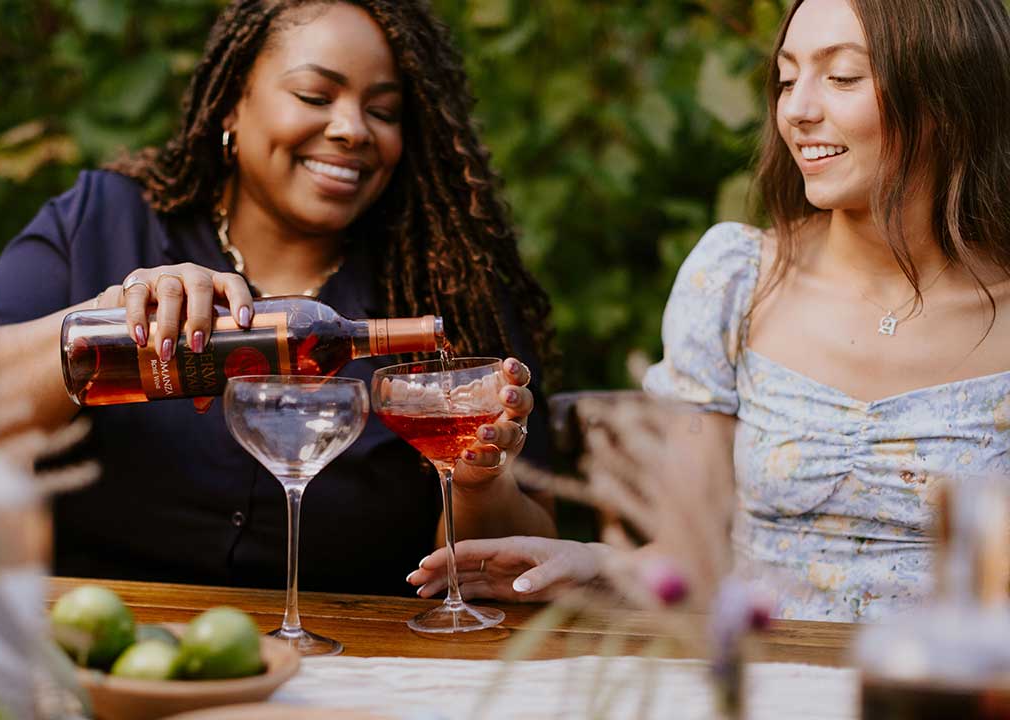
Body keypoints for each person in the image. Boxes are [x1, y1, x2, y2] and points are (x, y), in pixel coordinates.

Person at [0, 0, 558, 596]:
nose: (351, 128)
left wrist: (480, 480)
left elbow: (520, 561)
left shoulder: (452, 279)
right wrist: (106, 317)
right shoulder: (104, 222)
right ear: (232, 103)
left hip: (353, 667)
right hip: (97, 650)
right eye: (315, 94)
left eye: (384, 112)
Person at [410, 0, 1010, 622]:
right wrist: (590, 565)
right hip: (754, 686)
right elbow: (691, 562)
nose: (798, 109)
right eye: (785, 79)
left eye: (843, 77)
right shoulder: (737, 280)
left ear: (950, 93)